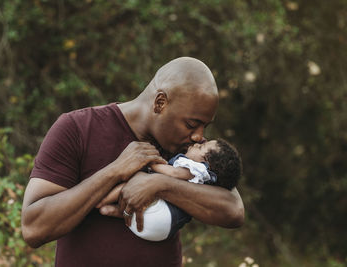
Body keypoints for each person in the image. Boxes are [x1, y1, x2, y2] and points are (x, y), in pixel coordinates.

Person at [21, 57, 245, 267]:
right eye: (191, 124)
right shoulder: (77, 129)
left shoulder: (191, 151)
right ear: (160, 103)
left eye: (205, 126)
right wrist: (115, 171)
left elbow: (233, 211)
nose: (199, 136)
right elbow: (34, 228)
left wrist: (159, 185)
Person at [97, 138, 242, 242]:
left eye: (200, 147)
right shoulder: (206, 181)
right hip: (160, 229)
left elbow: (174, 173)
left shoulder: (197, 169)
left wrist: (151, 164)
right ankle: (112, 210)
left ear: (205, 161)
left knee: (136, 180)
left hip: (161, 217)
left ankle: (100, 200)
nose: (198, 142)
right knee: (141, 194)